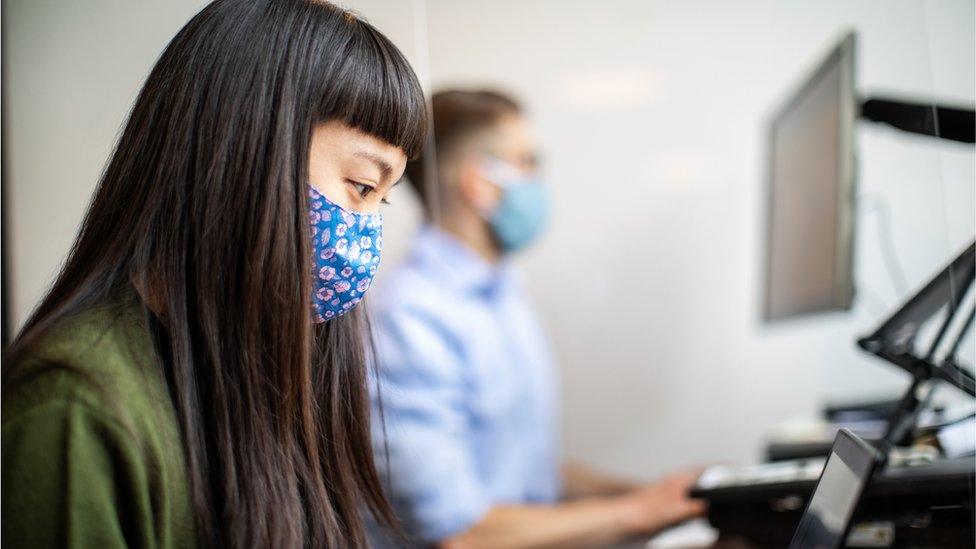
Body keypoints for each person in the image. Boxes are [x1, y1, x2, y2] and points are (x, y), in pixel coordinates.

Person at [1, 1, 426, 547]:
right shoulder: (75, 412)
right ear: (247, 143)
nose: (367, 236)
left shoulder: (263, 366)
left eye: (382, 203)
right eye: (363, 187)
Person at [368, 89, 705, 548]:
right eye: (527, 162)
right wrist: (635, 513)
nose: (539, 179)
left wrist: (654, 496)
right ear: (480, 183)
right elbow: (460, 532)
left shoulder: (504, 295)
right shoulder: (407, 318)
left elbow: (526, 471)